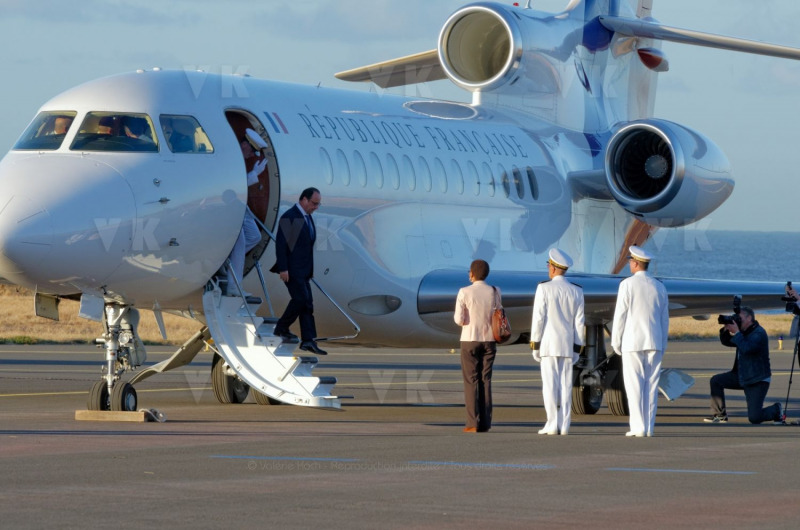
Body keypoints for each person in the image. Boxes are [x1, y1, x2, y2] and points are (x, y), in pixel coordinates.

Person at [611, 245, 669, 437]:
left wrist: (616, 341)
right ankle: (649, 427)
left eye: (630, 261)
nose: (629, 264)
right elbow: (664, 319)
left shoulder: (627, 285)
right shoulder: (659, 286)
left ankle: (638, 427)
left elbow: (620, 316)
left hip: (633, 341)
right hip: (654, 341)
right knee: (651, 386)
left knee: (634, 384)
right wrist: (662, 343)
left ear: (635, 263)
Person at [530, 249, 585, 435]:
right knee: (566, 386)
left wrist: (535, 344)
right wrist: (578, 347)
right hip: (567, 345)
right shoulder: (577, 290)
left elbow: (538, 319)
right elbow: (579, 323)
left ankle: (552, 423)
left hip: (548, 344)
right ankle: (565, 424)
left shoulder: (544, 288)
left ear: (553, 268)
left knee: (550, 386)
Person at [271, 187, 326, 355]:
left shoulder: (307, 218)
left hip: (304, 270)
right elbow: (282, 245)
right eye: (314, 203)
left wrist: (309, 270)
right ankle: (281, 327)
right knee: (300, 299)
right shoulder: (291, 216)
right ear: (304, 200)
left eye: (318, 204)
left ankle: (308, 340)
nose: (316, 207)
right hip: (292, 270)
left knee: (307, 304)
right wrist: (283, 268)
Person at [705, 306, 783, 424]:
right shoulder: (743, 332)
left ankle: (776, 409)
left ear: (749, 318)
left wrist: (736, 332)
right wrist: (726, 329)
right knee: (716, 381)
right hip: (741, 375)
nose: (737, 320)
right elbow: (727, 342)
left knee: (754, 418)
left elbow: (747, 348)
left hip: (757, 379)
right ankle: (720, 415)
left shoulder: (759, 333)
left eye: (739, 318)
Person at [454, 259, 498, 433]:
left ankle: (472, 422)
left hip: (470, 339)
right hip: (489, 339)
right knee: (485, 380)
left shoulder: (464, 292)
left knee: (470, 381)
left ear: (472, 274)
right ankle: (486, 422)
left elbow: (459, 319)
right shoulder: (495, 291)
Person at [225, 138, 267, 297]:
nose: (251, 155)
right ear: (244, 145)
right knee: (240, 242)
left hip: (241, 206)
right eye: (251, 150)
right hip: (230, 206)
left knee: (254, 236)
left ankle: (225, 261)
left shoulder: (238, 160)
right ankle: (234, 285)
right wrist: (253, 175)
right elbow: (232, 186)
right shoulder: (230, 159)